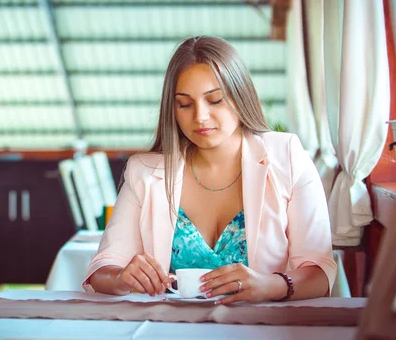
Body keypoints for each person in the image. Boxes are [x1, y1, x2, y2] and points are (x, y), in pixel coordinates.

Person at [83, 36, 336, 304]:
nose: (200, 116)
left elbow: (319, 272)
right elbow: (102, 269)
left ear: (241, 96)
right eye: (185, 104)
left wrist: (271, 285)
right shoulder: (144, 172)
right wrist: (122, 277)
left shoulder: (287, 156)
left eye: (215, 100)